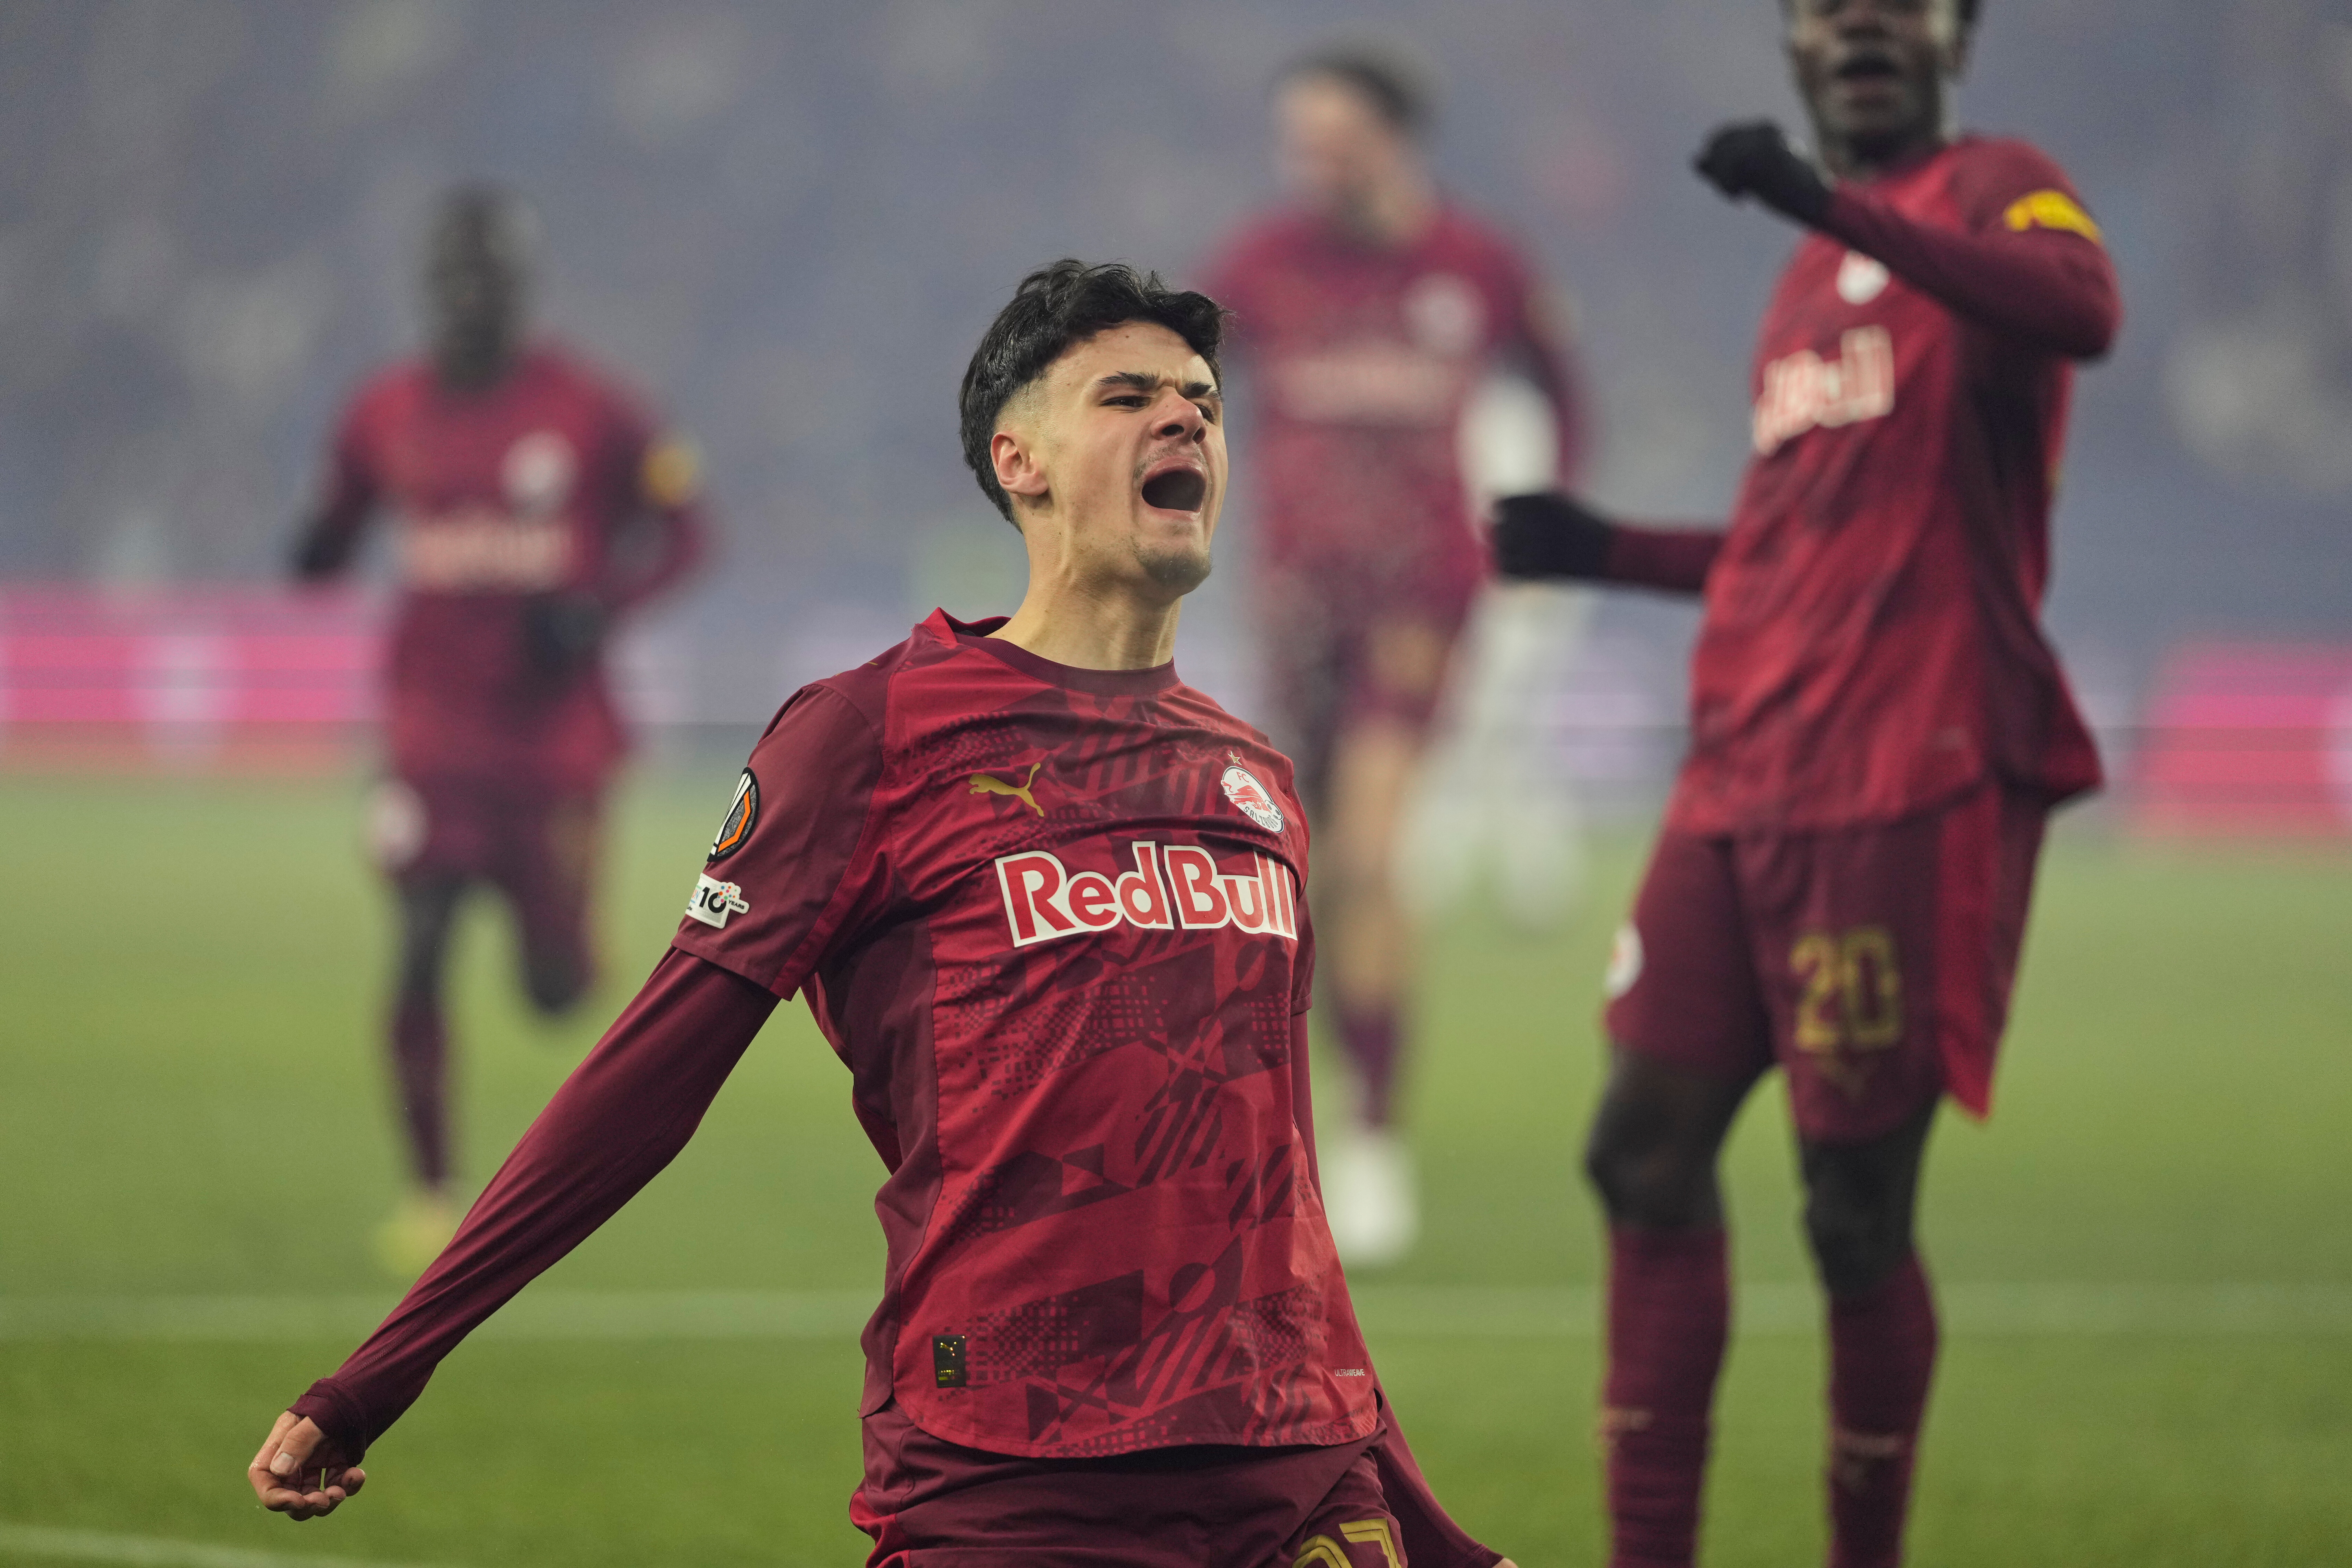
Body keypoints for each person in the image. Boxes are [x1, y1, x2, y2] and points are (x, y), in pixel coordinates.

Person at [248, 261, 1518, 1568]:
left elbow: (1282, 1199)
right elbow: (645, 1085)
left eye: (1203, 398)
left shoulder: (1255, 780)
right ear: (1019, 460)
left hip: (1297, 1477)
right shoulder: (872, 734)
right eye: (1127, 395)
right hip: (1014, 1480)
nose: (1186, 416)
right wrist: (378, 1376)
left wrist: (1427, 1524)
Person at [1492, 2, 2119, 1564]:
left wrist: (1829, 205)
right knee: (1638, 1151)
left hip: (1905, 776)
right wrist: (1611, 550)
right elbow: (1790, 550)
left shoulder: (2000, 187)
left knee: (1850, 1210)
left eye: (1898, 0)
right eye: (1824, 4)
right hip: (1740, 777)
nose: (1859, 23)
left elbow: (2083, 308)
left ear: (1957, 31)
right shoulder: (1801, 286)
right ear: (1789, 45)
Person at [1203, 43, 1586, 1267]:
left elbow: (1563, 389)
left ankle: (1372, 1139)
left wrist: (1551, 519)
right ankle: (1321, 1105)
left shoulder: (1476, 264)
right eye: (1296, 139)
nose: (1308, 159)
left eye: (1331, 136)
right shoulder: (1259, 265)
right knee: (1301, 875)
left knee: (1371, 854)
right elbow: (1166, 379)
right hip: (1296, 605)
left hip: (1420, 597)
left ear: (1391, 138)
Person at [288, 185, 708, 1277]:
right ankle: (430, 1194)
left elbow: (687, 531)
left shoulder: (592, 410)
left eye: (489, 284)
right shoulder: (385, 409)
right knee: (420, 941)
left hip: (552, 747)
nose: (471, 302)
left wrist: (602, 607)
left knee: (555, 992)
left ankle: (569, 935)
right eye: (455, 284)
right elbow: (339, 517)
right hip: (431, 741)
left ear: (521, 293)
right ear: (432, 294)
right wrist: (318, 550)